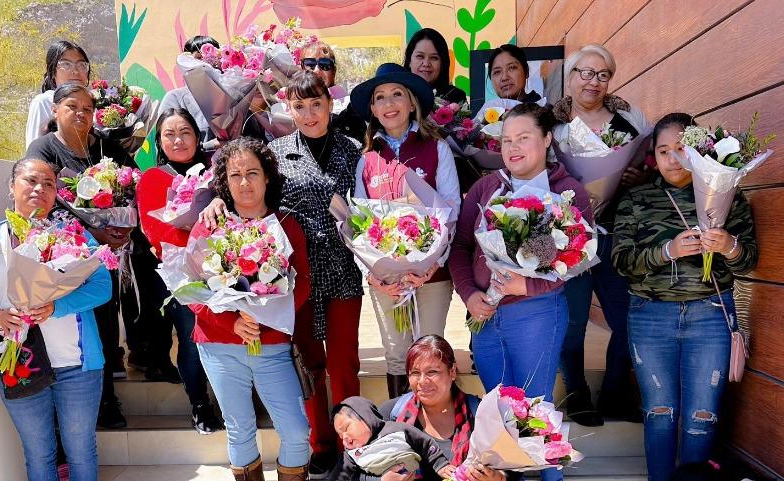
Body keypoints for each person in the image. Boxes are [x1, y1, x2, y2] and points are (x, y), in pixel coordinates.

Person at [201, 70, 364, 478]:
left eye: (316, 104)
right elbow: (241, 185)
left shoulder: (352, 150)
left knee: (344, 362)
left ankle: (353, 443)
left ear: (330, 105)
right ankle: (321, 442)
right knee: (310, 362)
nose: (309, 114)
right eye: (299, 106)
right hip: (288, 274)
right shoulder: (277, 151)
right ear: (288, 110)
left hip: (342, 271)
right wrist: (212, 203)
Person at [449, 103, 591, 481]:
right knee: (499, 411)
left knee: (535, 410)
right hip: (485, 316)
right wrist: (469, 294)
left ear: (546, 139)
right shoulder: (485, 187)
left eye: (523, 138)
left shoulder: (568, 193)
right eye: (506, 140)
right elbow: (460, 248)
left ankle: (549, 476)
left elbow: (574, 258)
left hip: (537, 313)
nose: (512, 148)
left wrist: (525, 284)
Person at [612, 113, 757, 481]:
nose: (672, 160)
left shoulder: (729, 195)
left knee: (701, 418)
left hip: (711, 314)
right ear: (653, 157)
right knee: (660, 413)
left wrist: (729, 246)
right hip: (650, 316)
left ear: (696, 150)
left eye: (681, 149)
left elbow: (749, 259)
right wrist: (667, 251)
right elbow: (621, 262)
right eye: (663, 151)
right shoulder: (636, 199)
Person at [0, 158, 111, 481]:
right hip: (19, 365)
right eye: (31, 181)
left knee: (81, 448)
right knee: (38, 453)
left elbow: (103, 286)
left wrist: (57, 307)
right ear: (12, 187)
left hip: (78, 366)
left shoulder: (73, 236)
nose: (40, 189)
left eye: (48, 184)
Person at [191, 137, 312, 481]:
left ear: (268, 177)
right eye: (235, 175)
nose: (244, 182)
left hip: (271, 344)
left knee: (296, 431)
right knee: (240, 429)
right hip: (218, 345)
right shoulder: (210, 223)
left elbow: (302, 283)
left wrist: (264, 310)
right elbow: (192, 287)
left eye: (253, 173)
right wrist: (230, 321)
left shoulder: (287, 226)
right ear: (224, 182)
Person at [26, 82, 138, 428]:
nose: (81, 114)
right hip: (62, 254)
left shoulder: (108, 146)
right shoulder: (43, 149)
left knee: (105, 322)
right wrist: (94, 234)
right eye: (72, 107)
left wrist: (124, 229)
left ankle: (106, 400)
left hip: (107, 254)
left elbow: (134, 187)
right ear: (56, 111)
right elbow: (43, 199)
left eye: (88, 109)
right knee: (75, 328)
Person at [552, 44, 652, 426]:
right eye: (585, 73)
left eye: (602, 74)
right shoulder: (552, 122)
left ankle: (614, 392)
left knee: (627, 319)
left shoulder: (631, 119)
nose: (593, 82)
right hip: (569, 237)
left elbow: (652, 158)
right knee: (574, 321)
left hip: (617, 234)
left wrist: (639, 175)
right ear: (571, 76)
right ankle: (576, 393)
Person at [350, 62, 460, 399]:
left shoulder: (437, 148)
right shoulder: (367, 159)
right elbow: (358, 224)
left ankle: (439, 421)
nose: (389, 103)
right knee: (397, 353)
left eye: (397, 94)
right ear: (372, 108)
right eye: (380, 97)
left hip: (431, 276)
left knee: (430, 349)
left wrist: (429, 266)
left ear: (411, 102)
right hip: (386, 282)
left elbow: (451, 210)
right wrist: (375, 273)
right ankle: (402, 423)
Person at [144, 108, 224, 433]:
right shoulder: (154, 177)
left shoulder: (216, 170)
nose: (178, 140)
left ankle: (228, 399)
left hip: (223, 265)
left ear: (196, 135)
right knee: (191, 339)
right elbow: (154, 229)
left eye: (185, 132)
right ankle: (199, 404)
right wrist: (195, 244)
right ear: (160, 141)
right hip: (180, 270)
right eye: (169, 134)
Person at [379, 335, 519, 481]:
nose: (422, 381)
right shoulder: (391, 415)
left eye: (432, 372)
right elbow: (355, 468)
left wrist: (498, 478)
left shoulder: (480, 414)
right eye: (415, 373)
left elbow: (514, 471)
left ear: (452, 372)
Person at [331, 396, 454, 481]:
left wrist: (440, 465)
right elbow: (341, 478)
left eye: (346, 428)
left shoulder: (397, 429)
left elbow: (425, 444)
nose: (345, 437)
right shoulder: (351, 455)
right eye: (340, 435)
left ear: (365, 416)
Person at [158, 35, 223, 153]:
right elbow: (167, 146)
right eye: (198, 58)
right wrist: (210, 145)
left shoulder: (234, 96)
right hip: (191, 170)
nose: (205, 63)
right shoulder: (175, 98)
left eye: (211, 58)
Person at [26, 40, 91, 147]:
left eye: (81, 65)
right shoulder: (44, 102)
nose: (75, 71)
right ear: (52, 70)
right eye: (66, 64)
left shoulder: (94, 104)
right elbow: (33, 152)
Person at [300, 40, 367, 143]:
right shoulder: (289, 105)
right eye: (310, 63)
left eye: (324, 64)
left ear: (333, 72)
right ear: (302, 69)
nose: (317, 70)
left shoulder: (350, 108)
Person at [403, 28, 466, 104]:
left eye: (434, 58)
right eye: (420, 56)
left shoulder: (456, 97)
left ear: (442, 63)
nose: (426, 63)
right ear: (409, 61)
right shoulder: (397, 94)